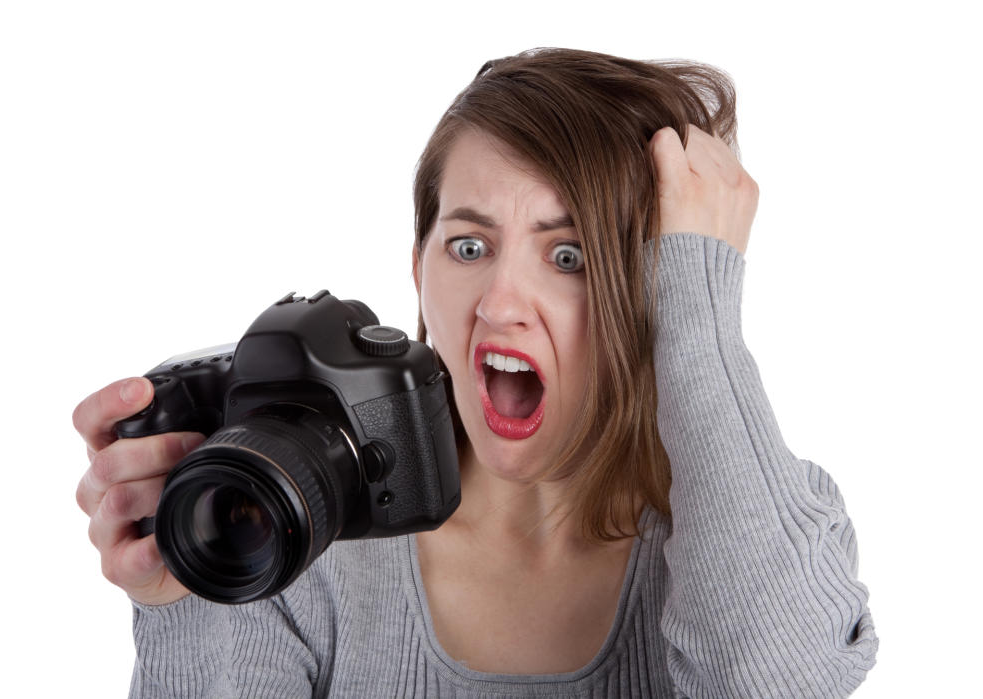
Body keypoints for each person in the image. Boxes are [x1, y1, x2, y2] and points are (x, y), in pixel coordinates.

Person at [74, 48, 878, 697]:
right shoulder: (298, 530)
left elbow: (779, 683)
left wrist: (698, 313)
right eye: (468, 246)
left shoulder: (766, 521)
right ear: (416, 269)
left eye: (569, 257)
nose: (500, 303)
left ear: (653, 289)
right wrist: (188, 587)